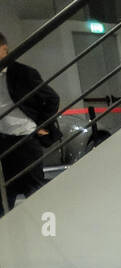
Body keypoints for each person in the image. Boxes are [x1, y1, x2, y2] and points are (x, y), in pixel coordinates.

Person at [0, 32, 60, 212]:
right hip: (3, 142)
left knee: (34, 191)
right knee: (5, 193)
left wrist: (41, 125)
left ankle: (46, 231)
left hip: (25, 139)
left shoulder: (23, 73)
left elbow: (52, 98)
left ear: (4, 49)